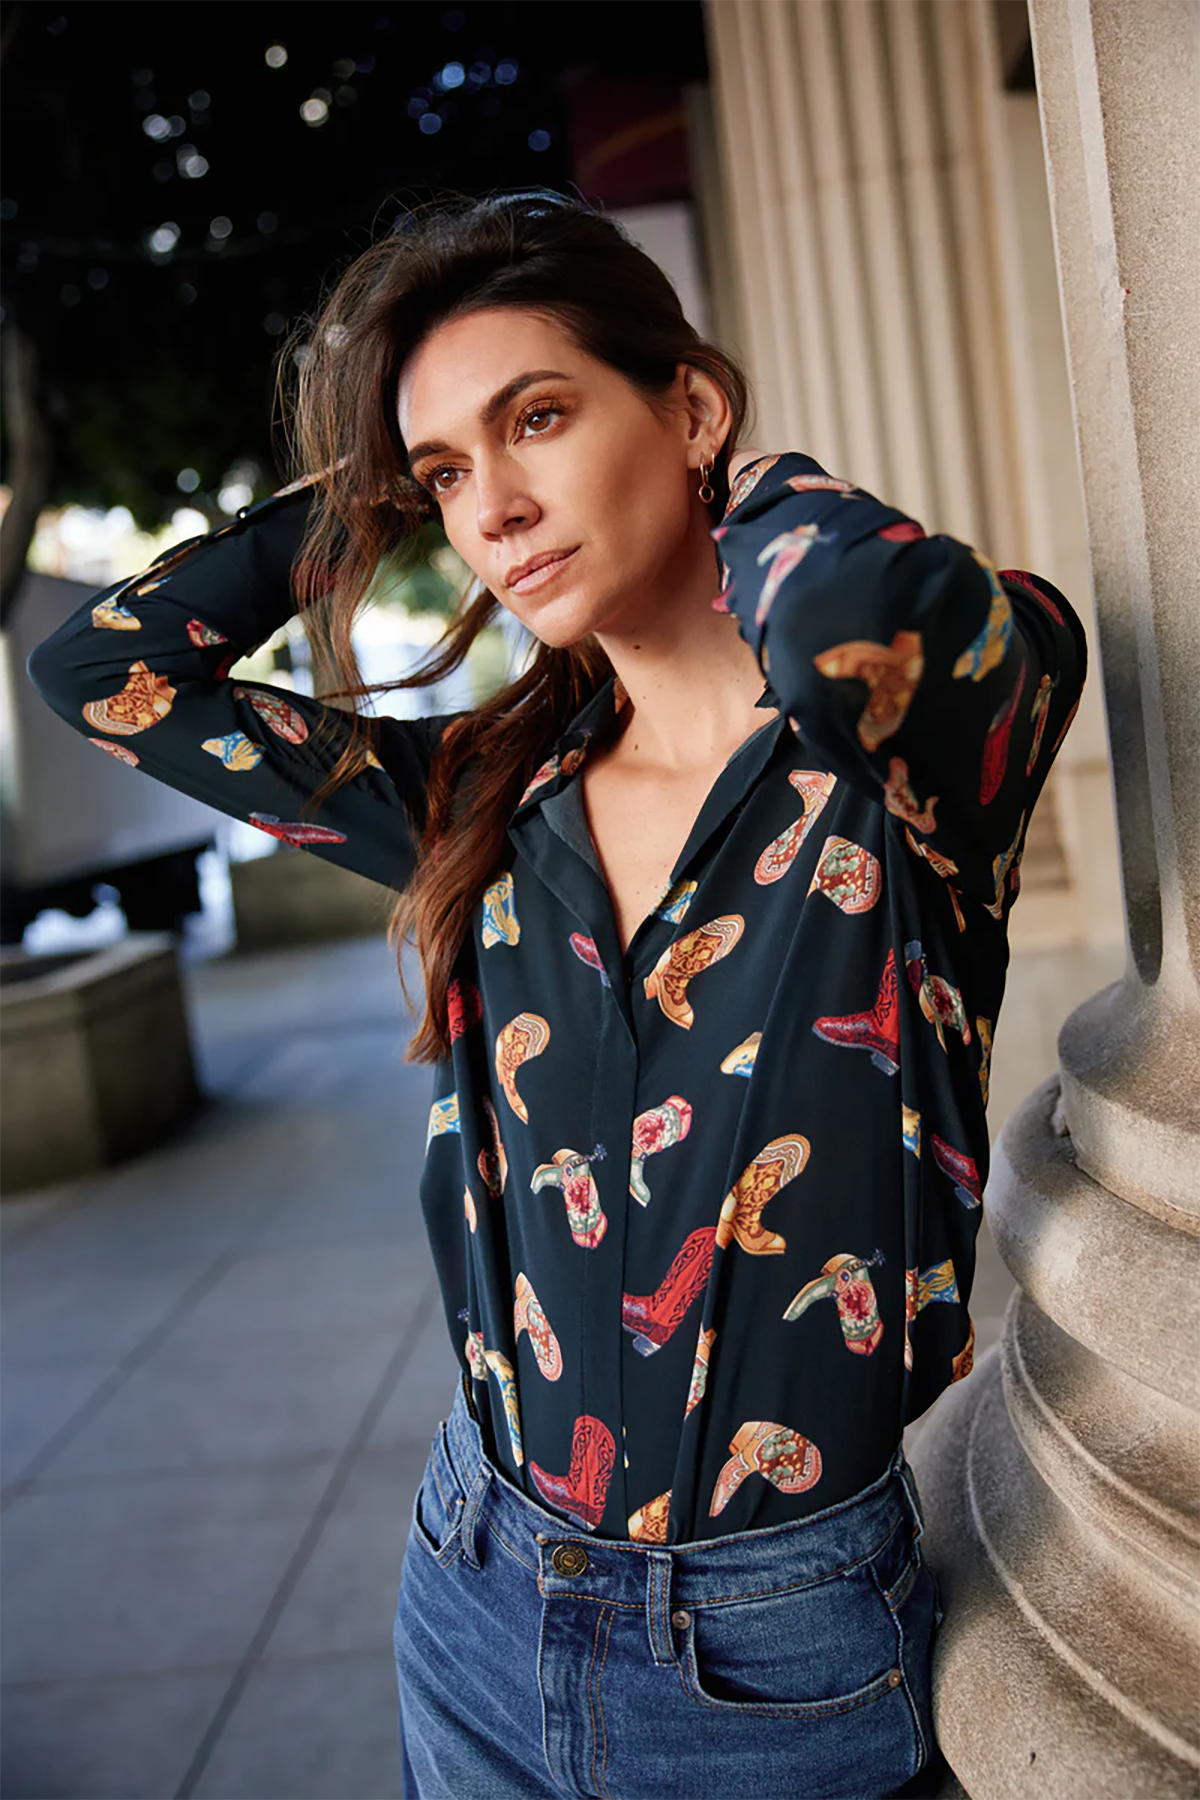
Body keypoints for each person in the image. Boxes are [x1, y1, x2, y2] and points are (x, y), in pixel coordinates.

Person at [27, 189, 1087, 1798]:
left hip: (769, 1651)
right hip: (474, 1579)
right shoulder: (478, 796)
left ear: (691, 407)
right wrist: (368, 495)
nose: (497, 507)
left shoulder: (917, 751)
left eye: (539, 418)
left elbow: (854, 615)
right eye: (447, 473)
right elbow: (107, 671)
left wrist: (750, 484)